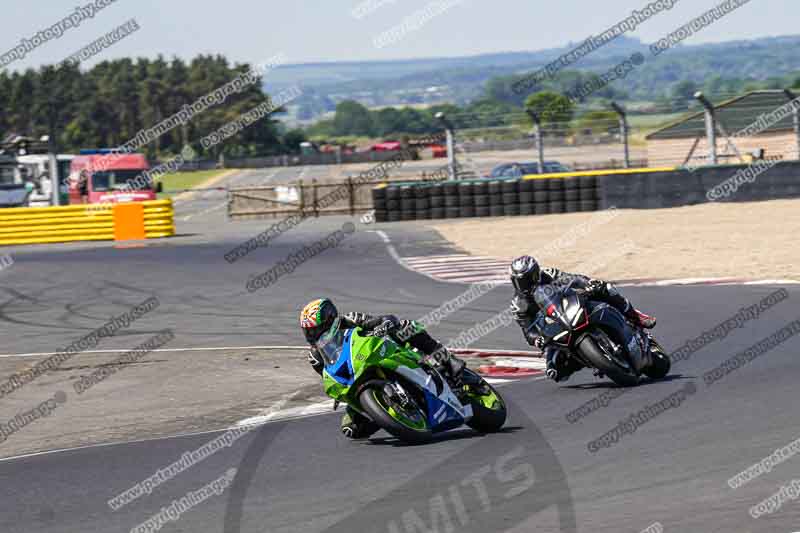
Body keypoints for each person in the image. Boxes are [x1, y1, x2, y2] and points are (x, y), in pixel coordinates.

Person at [299, 298, 465, 439]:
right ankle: (393, 414)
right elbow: (328, 374)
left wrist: (384, 324)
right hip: (355, 381)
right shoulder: (315, 357)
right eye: (309, 331)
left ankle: (448, 360)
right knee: (352, 428)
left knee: (406, 327)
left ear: (330, 319)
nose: (313, 334)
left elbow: (383, 319)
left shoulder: (350, 319)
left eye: (316, 329)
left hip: (380, 352)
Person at [508, 255, 657, 382]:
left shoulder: (548, 274)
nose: (522, 285)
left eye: (525, 279)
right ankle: (591, 360)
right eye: (518, 281)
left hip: (572, 305)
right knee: (554, 371)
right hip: (556, 329)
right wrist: (536, 339)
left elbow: (574, 279)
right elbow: (528, 331)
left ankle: (635, 315)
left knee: (605, 288)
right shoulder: (518, 304)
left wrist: (588, 284)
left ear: (535, 274)